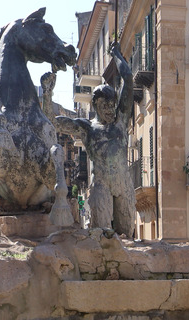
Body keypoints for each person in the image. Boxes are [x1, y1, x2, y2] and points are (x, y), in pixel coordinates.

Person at [55, 42, 136, 238]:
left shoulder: (120, 122)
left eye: (112, 105)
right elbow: (55, 122)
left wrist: (116, 53)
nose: (109, 109)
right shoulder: (87, 127)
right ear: (95, 106)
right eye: (104, 105)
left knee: (127, 233)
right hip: (101, 185)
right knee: (102, 236)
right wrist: (47, 94)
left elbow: (128, 79)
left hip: (123, 183)